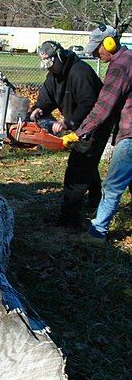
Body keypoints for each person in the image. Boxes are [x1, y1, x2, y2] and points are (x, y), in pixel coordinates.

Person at [30, 40, 114, 228]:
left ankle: (69, 219)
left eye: (50, 64)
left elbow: (89, 104)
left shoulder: (79, 72)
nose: (49, 69)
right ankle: (94, 199)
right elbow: (47, 96)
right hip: (80, 124)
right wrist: (38, 108)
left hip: (96, 124)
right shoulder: (54, 75)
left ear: (59, 57)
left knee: (78, 167)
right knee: (85, 161)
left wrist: (67, 122)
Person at [62, 24, 131, 243]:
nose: (94, 53)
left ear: (109, 43)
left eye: (97, 48)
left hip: (131, 135)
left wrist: (79, 133)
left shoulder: (120, 66)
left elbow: (103, 106)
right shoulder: (128, 58)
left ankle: (97, 233)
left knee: (112, 185)